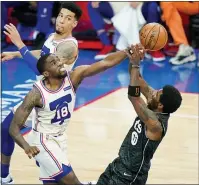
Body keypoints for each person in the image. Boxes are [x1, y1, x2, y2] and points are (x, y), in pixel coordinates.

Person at [9, 44, 144, 184]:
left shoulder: (73, 77)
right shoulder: (36, 94)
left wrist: (126, 52)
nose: (60, 63)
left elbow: (105, 63)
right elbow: (13, 127)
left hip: (61, 138)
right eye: (54, 63)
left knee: (53, 183)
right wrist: (26, 146)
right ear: (46, 73)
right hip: (43, 141)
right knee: (72, 181)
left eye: (58, 59)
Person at [1, 2, 82, 184]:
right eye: (61, 15)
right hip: (41, 95)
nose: (61, 20)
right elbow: (44, 53)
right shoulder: (54, 36)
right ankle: (3, 176)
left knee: (46, 159)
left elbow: (41, 69)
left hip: (52, 101)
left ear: (74, 24)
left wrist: (19, 43)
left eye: (68, 18)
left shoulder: (69, 46)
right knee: (6, 128)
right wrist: (16, 54)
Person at [96, 44, 182, 185]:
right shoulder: (155, 102)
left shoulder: (155, 124)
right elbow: (137, 78)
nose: (152, 92)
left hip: (130, 176)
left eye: (157, 93)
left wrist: (136, 66)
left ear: (161, 105)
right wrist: (135, 59)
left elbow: (133, 97)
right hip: (118, 165)